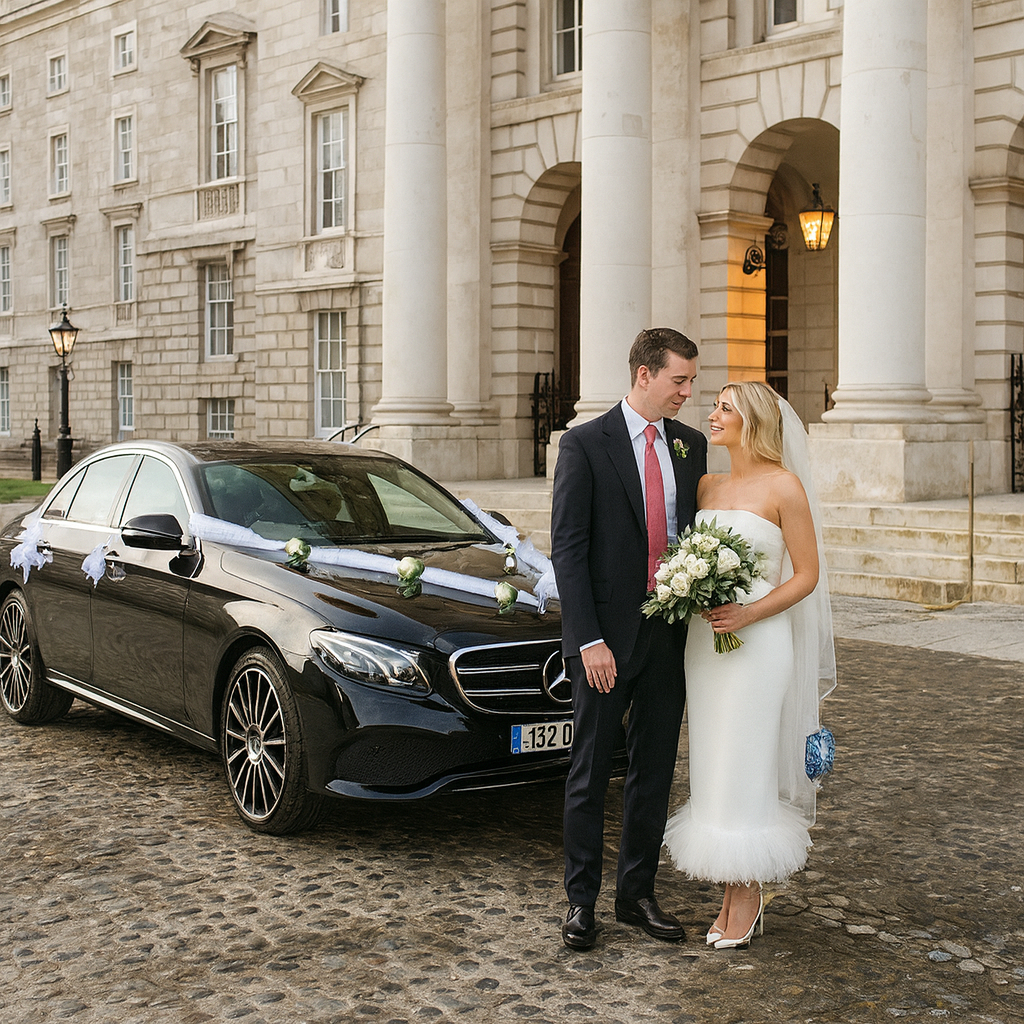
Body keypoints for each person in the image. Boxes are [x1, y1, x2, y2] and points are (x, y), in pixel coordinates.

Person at [550, 327, 708, 950]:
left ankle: (636, 895)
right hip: (603, 643)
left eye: (692, 382)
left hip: (668, 639)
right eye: (679, 380)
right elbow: (570, 546)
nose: (687, 393)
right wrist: (587, 639)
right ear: (644, 374)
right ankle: (581, 903)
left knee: (654, 769)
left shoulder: (691, 445)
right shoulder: (585, 444)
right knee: (589, 771)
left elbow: (695, 536)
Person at [663, 380, 836, 949]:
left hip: (759, 644)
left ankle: (748, 891)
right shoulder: (707, 485)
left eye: (723, 408)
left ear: (752, 423)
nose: (710, 414)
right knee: (714, 759)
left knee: (748, 761)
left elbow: (806, 576)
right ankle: (731, 884)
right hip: (705, 643)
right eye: (713, 404)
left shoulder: (784, 486)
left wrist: (750, 612)